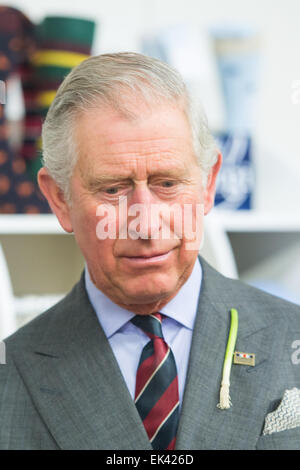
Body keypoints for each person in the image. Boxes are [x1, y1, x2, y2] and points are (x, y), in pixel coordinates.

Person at [0, 52, 299, 450]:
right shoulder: (11, 378)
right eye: (112, 189)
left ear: (208, 184)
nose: (145, 222)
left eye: (167, 184)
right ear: (59, 198)